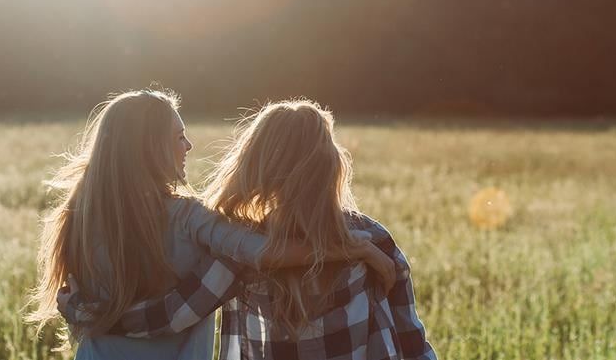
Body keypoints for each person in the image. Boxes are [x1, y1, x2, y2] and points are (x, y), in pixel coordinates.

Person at [28, 89, 394, 360]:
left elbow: (156, 314)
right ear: (149, 148)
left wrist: (89, 315)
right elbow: (261, 255)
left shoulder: (77, 215)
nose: (189, 145)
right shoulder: (189, 219)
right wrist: (355, 246)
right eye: (179, 136)